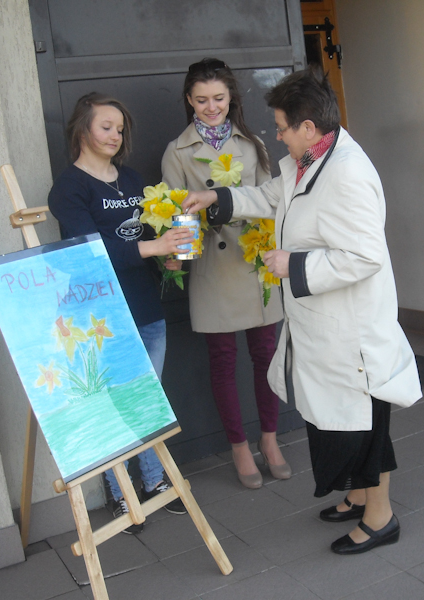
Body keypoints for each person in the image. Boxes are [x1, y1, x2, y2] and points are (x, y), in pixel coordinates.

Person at [182, 68, 422, 555]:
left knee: (365, 424)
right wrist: (216, 198)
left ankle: (381, 518)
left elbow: (365, 257)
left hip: (353, 331)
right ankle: (358, 496)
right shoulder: (306, 160)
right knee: (340, 421)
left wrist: (292, 264)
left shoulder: (348, 173)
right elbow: (269, 196)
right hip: (324, 326)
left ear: (308, 127)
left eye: (281, 127)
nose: (277, 135)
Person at [48, 92, 192, 533]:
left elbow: (146, 233)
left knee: (147, 401)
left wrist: (170, 255)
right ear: (83, 130)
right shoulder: (68, 188)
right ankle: (120, 491)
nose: (115, 135)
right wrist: (153, 246)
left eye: (120, 128)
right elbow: (89, 253)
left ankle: (152, 481)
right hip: (99, 317)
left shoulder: (130, 179)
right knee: (112, 407)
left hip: (146, 308)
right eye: (106, 127)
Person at [161, 58, 290, 489]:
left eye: (218, 98)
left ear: (231, 96)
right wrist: (178, 253)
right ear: (189, 100)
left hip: (253, 260)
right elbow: (176, 212)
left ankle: (269, 438)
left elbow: (272, 201)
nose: (211, 107)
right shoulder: (177, 151)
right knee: (222, 360)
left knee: (265, 354)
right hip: (213, 264)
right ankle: (238, 446)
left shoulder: (252, 144)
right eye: (201, 100)